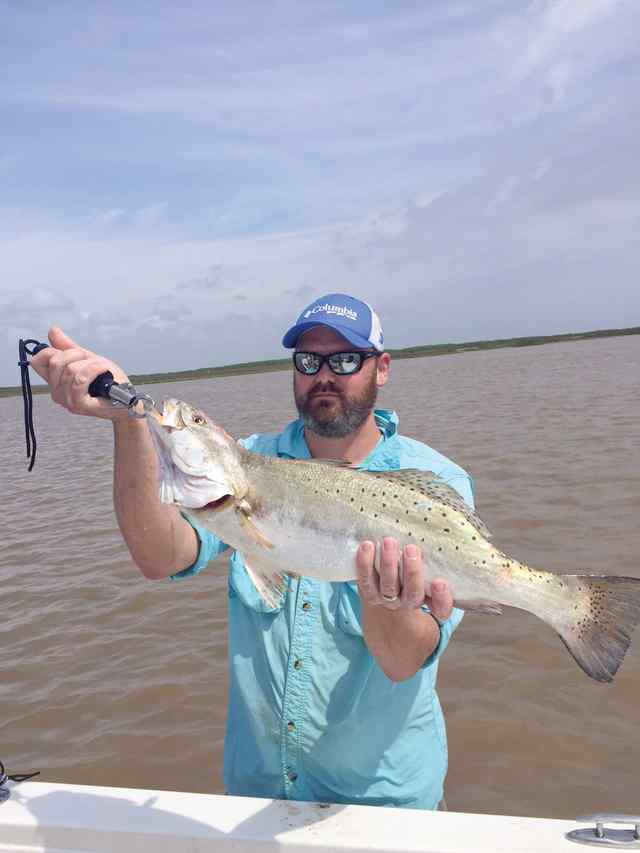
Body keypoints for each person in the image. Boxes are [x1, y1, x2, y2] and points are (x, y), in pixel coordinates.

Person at [32, 292, 475, 810]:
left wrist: (382, 597)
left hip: (386, 805)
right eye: (308, 361)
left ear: (382, 369)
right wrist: (129, 422)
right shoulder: (252, 461)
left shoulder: (435, 483)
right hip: (256, 800)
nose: (324, 375)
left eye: (345, 360)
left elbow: (402, 662)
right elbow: (159, 557)